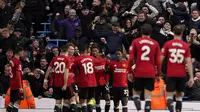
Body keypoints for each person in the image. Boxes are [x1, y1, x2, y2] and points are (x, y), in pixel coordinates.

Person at [128, 24, 161, 112]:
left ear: (141, 32)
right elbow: (158, 61)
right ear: (151, 32)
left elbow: (130, 58)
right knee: (148, 92)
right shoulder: (155, 43)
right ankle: (147, 104)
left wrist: (129, 71)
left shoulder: (135, 41)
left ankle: (136, 99)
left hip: (139, 71)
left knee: (136, 91)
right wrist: (158, 74)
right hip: (150, 71)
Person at [160, 25, 194, 112]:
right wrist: (191, 77)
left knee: (169, 95)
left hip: (171, 73)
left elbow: (161, 58)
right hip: (181, 74)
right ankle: (178, 110)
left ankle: (170, 104)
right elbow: (189, 62)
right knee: (179, 97)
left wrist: (157, 70)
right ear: (182, 33)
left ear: (173, 32)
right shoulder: (185, 45)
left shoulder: (168, 44)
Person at [43, 44, 70, 112]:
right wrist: (65, 84)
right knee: (66, 102)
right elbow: (66, 73)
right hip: (63, 83)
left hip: (56, 83)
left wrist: (45, 80)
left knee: (58, 102)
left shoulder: (54, 59)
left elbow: (48, 70)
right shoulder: (67, 59)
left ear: (60, 50)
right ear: (67, 51)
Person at [73, 44, 97, 112]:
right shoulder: (92, 58)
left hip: (84, 82)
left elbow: (72, 68)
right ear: (86, 50)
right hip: (93, 82)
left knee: (83, 101)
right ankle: (90, 109)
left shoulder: (78, 59)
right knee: (91, 99)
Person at [91, 43, 110, 112]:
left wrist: (107, 80)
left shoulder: (104, 59)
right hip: (95, 84)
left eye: (95, 51)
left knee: (108, 99)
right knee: (97, 102)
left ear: (99, 51)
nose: (94, 52)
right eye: (93, 51)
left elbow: (110, 69)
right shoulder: (90, 60)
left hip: (104, 83)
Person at [6, 47, 24, 112]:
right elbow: (18, 75)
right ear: (19, 52)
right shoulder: (18, 62)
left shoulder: (11, 60)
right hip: (17, 84)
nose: (23, 53)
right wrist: (20, 87)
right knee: (17, 102)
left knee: (12, 102)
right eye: (22, 52)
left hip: (12, 83)